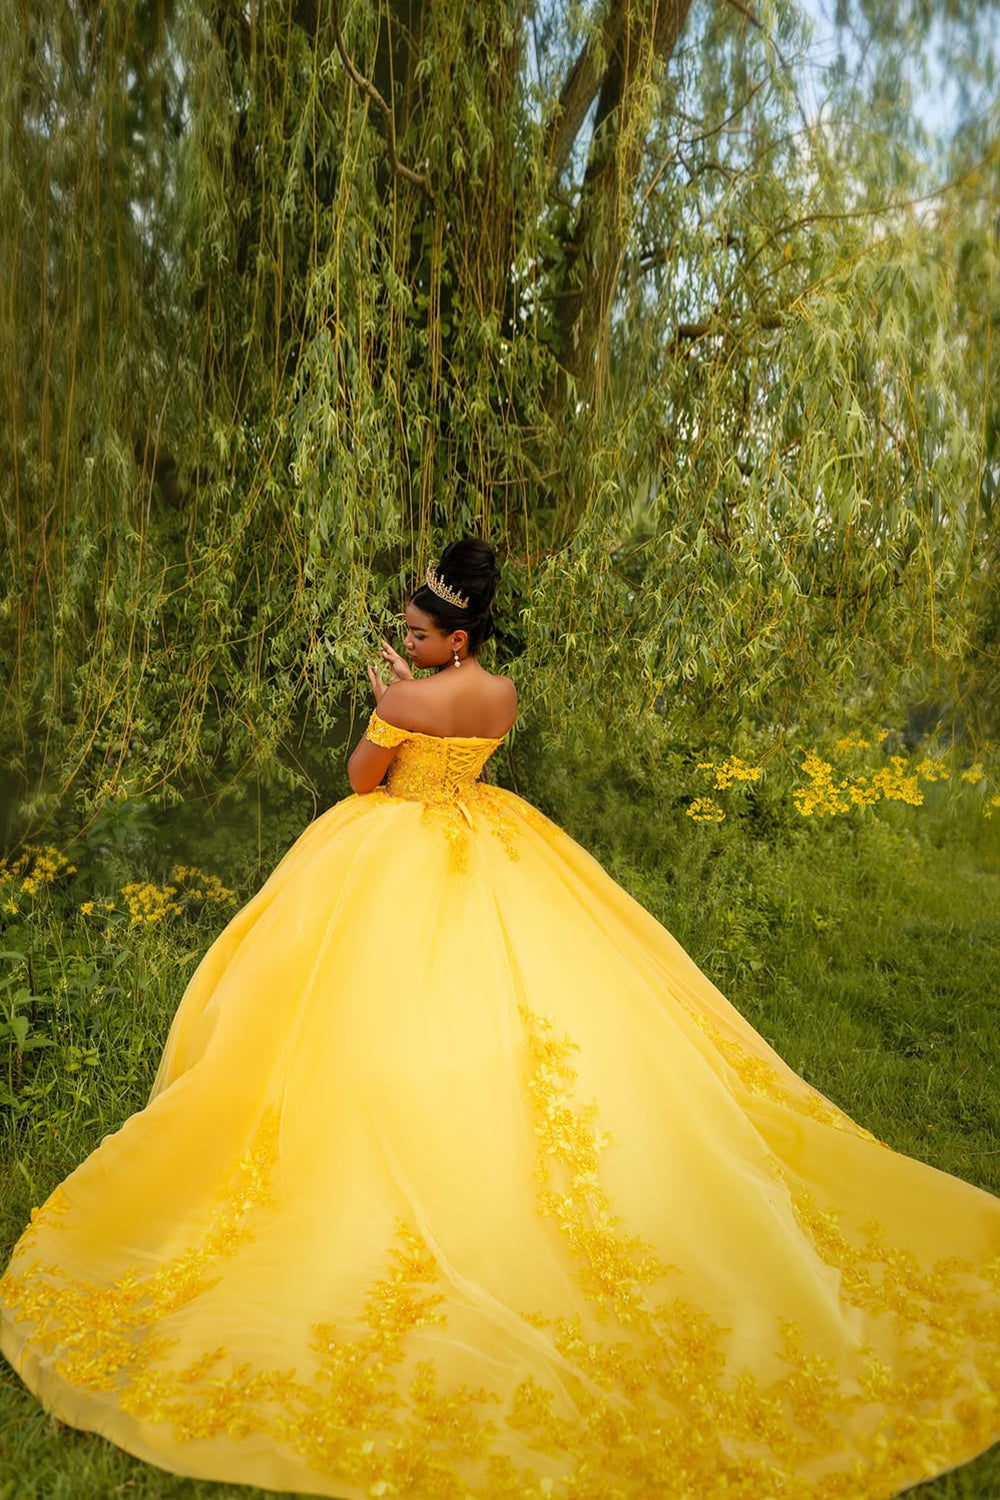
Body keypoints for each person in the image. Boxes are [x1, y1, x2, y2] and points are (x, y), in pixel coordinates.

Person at [1, 536, 997, 1500]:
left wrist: (390, 701)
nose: (408, 640)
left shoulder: (401, 694)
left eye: (418, 633)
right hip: (491, 839)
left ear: (454, 637)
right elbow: (464, 744)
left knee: (354, 1011)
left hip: (391, 854)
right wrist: (419, 694)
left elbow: (363, 780)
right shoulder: (502, 692)